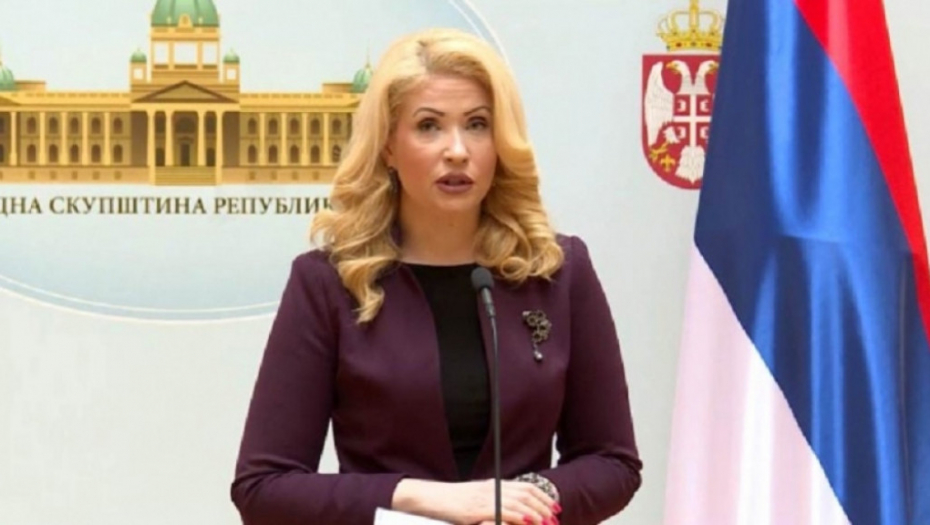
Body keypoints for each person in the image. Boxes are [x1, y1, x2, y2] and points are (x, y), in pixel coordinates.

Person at [230, 28, 642, 525]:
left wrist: (527, 499)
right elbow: (264, 487)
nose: (457, 150)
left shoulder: (557, 271)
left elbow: (612, 461)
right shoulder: (329, 283)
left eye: (477, 124)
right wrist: (420, 497)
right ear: (388, 145)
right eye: (429, 126)